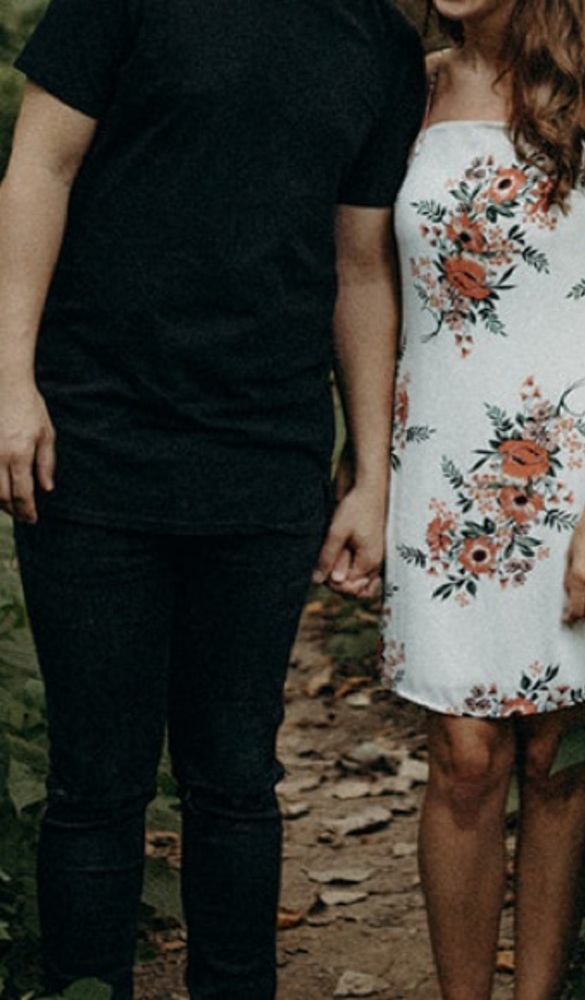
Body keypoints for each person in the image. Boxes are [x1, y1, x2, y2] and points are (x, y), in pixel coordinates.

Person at [0, 1, 424, 996]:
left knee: (235, 776)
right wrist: (10, 378)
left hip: (265, 453)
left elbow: (359, 265)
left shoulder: (379, 39)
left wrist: (373, 471)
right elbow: (37, 171)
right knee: (96, 782)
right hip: (94, 438)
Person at [363, 0, 585, 995]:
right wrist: (367, 464)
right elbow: (364, 277)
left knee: (555, 751)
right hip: (441, 462)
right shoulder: (406, 84)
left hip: (576, 462)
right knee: (463, 754)